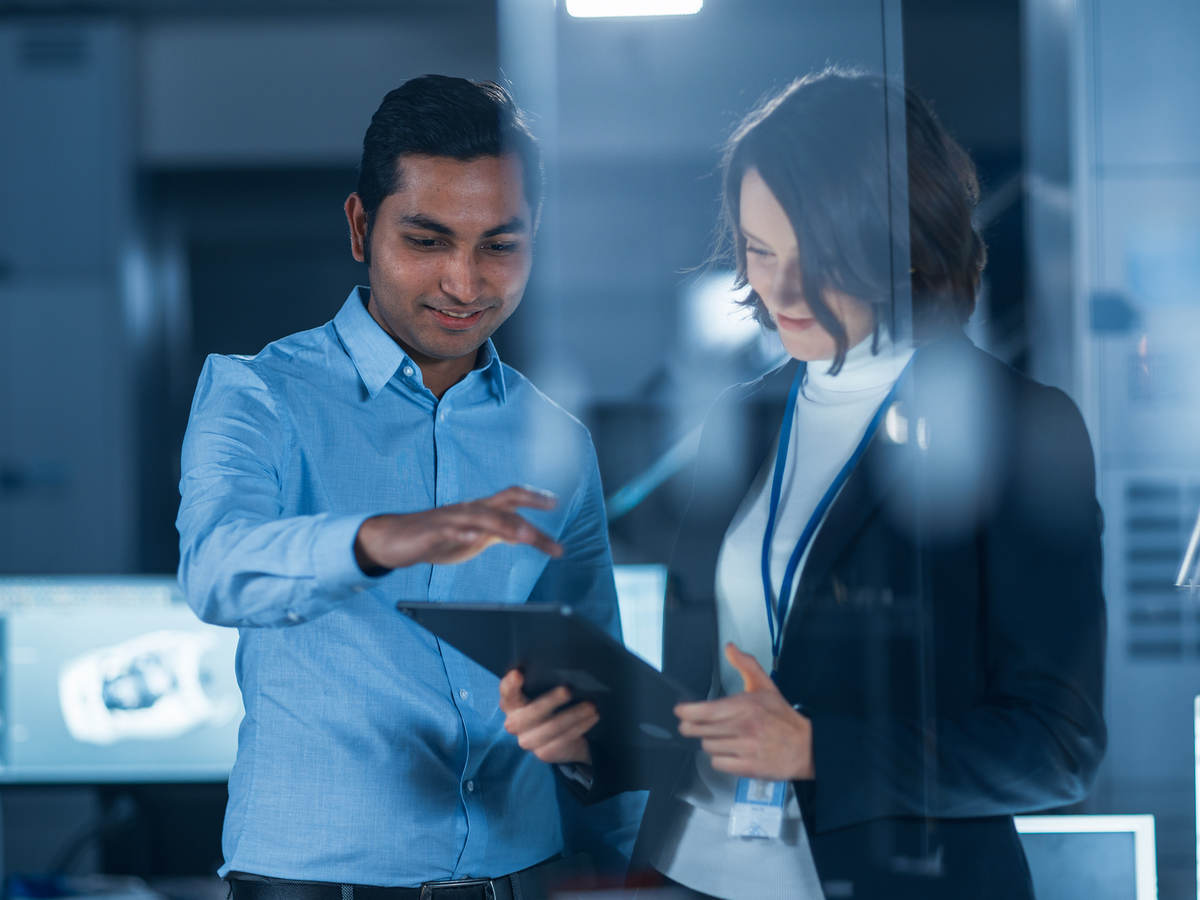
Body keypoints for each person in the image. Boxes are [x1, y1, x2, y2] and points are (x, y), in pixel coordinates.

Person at [500, 68, 1106, 899]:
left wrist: (818, 750)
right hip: (696, 875)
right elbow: (710, 703)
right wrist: (591, 743)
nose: (778, 289)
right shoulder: (743, 419)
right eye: (758, 249)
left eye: (815, 255)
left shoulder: (1014, 425)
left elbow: (1058, 748)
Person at [176, 74, 633, 900]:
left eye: (500, 245)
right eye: (427, 241)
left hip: (523, 880)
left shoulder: (557, 439)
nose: (465, 283)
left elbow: (592, 690)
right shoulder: (256, 395)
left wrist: (638, 872)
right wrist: (379, 539)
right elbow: (215, 568)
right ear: (360, 227)